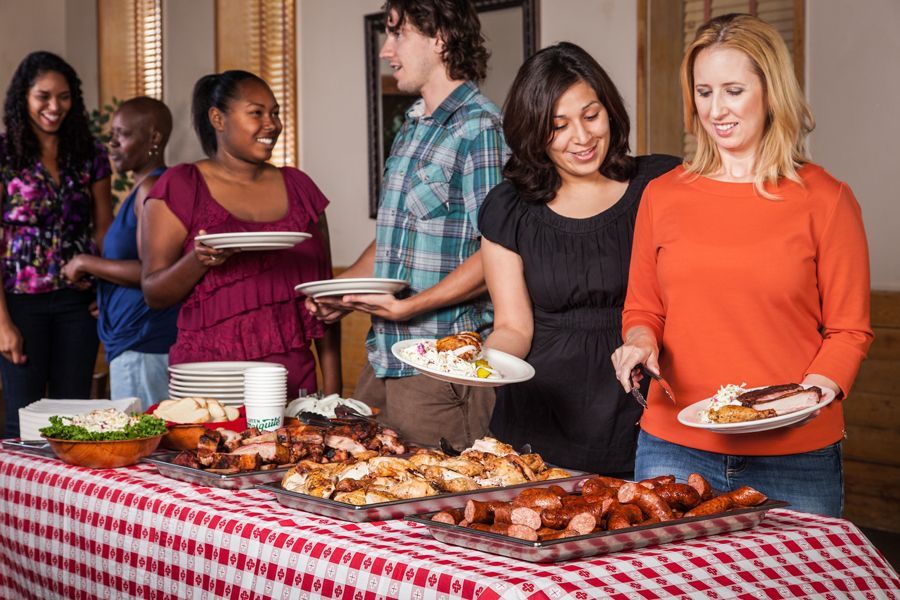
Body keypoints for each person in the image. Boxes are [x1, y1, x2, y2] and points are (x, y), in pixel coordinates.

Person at [610, 13, 873, 516]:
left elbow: (849, 330)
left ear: (771, 92)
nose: (716, 109)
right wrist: (639, 341)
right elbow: (644, 307)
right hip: (673, 442)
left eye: (733, 90)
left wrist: (812, 395)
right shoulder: (662, 196)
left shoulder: (827, 199)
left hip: (795, 452)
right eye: (704, 92)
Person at [306, 0, 509, 450]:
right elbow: (393, 242)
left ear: (439, 37)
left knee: (438, 507)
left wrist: (410, 308)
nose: (386, 49)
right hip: (384, 358)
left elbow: (499, 253)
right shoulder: (412, 128)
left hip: (441, 368)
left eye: (397, 33)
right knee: (358, 489)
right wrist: (339, 293)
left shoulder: (482, 128)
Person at [478, 43, 680, 476]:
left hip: (647, 416)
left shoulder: (662, 184)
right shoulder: (508, 207)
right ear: (534, 131)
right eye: (559, 126)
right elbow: (513, 327)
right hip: (540, 420)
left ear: (609, 110)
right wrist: (478, 364)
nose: (583, 138)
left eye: (591, 116)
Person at [140, 70, 341, 398]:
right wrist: (199, 260)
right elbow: (154, 293)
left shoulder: (300, 188)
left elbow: (325, 299)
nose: (272, 124)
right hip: (210, 382)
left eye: (274, 112)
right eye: (256, 113)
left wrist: (334, 390)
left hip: (293, 380)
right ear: (218, 118)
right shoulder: (181, 185)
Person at [0, 51, 113, 437]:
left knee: (74, 417)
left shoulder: (90, 154)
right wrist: (2, 323)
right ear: (24, 98)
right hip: (19, 303)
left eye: (63, 96)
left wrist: (107, 289)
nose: (54, 106)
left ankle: (69, 498)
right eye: (43, 96)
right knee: (23, 419)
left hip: (77, 302)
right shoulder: (4, 155)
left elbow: (104, 229)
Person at [62, 97, 179, 410]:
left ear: (154, 138)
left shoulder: (150, 189)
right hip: (131, 340)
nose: (111, 143)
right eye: (111, 134)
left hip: (143, 341)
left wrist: (85, 262)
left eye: (122, 134)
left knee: (143, 444)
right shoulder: (143, 188)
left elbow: (150, 273)